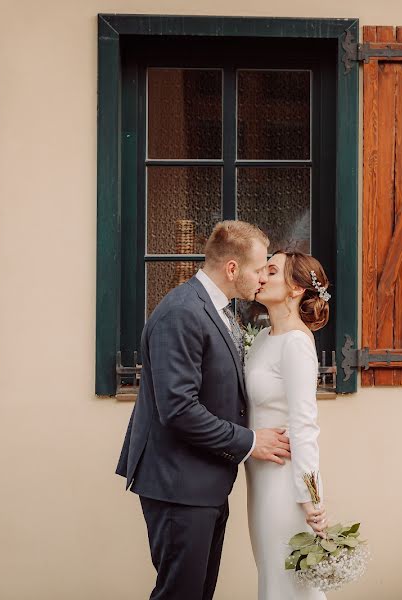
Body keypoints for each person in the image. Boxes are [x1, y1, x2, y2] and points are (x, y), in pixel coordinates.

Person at [116, 221, 292, 600]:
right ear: (232, 269)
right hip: (179, 485)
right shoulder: (181, 312)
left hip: (203, 482)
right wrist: (249, 442)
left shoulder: (217, 308)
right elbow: (178, 409)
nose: (262, 277)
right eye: (259, 268)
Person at [245, 250, 332, 600]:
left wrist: (312, 500)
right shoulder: (264, 338)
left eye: (272, 271)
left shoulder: (296, 343)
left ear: (295, 289)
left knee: (289, 586)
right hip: (259, 479)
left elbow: (304, 424)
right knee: (271, 577)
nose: (261, 276)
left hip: (285, 484)